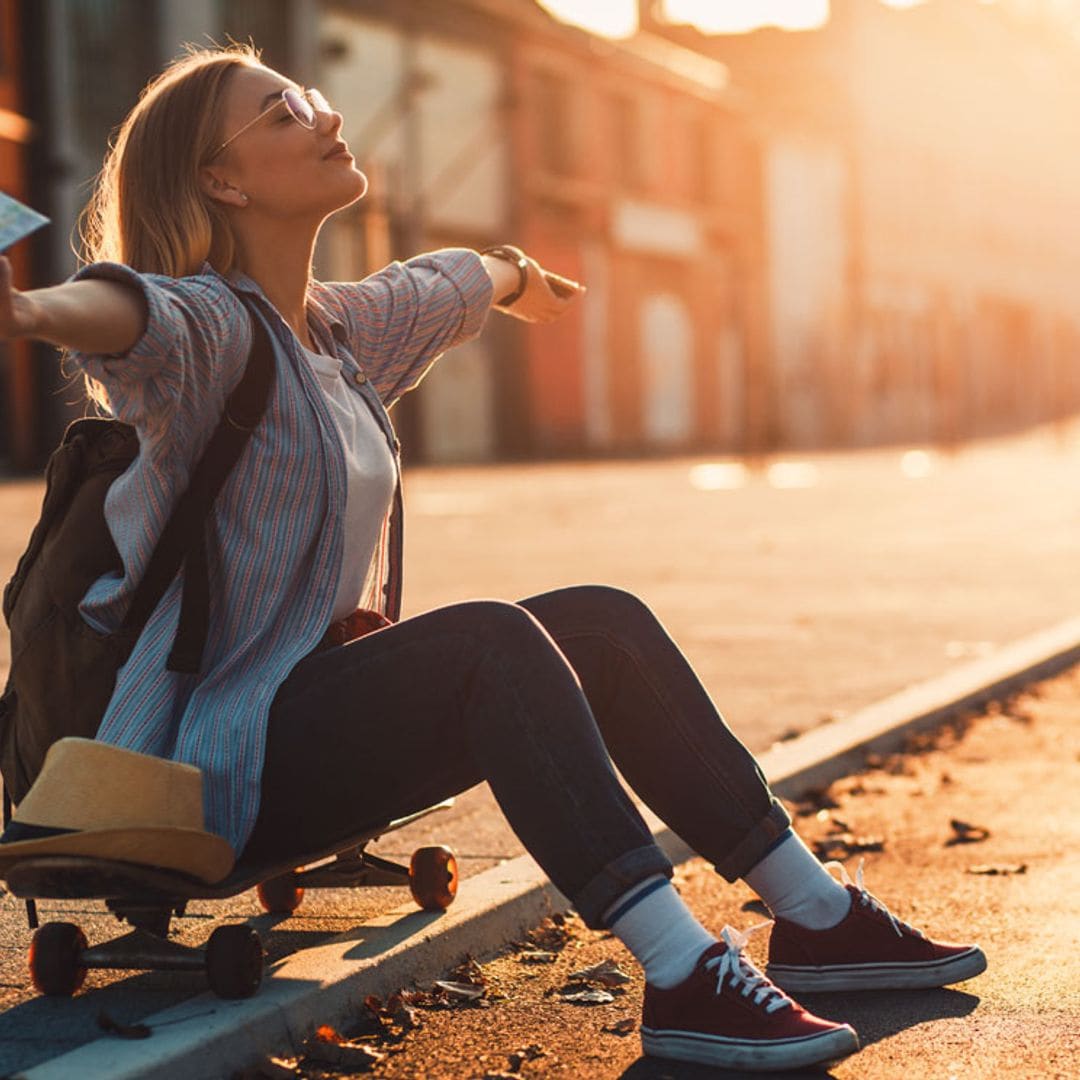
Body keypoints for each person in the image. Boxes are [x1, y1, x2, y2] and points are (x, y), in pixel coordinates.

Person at [0, 45, 985, 1073]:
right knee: (487, 644)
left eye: (312, 97)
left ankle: (817, 917)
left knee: (598, 621)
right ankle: (683, 973)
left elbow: (436, 284)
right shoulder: (205, 327)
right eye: (283, 114)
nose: (322, 114)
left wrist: (518, 276)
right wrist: (26, 312)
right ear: (222, 179)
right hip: (211, 771)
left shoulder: (331, 332)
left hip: (305, 727)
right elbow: (128, 311)